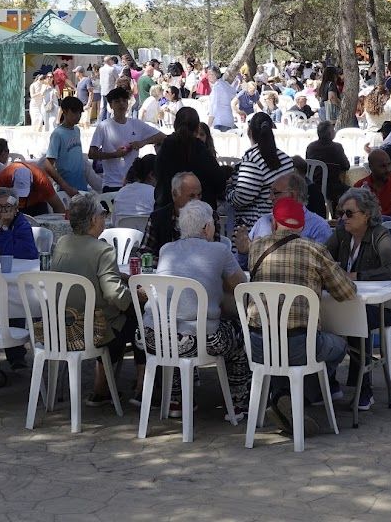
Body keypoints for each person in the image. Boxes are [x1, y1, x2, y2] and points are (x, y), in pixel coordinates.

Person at [245, 198, 356, 429]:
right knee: (339, 345)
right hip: (299, 345)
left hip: (257, 344)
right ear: (302, 226)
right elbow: (346, 293)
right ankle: (300, 397)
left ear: (275, 223)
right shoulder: (315, 250)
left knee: (277, 350)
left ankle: (281, 398)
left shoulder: (255, 247)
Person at [148, 199, 250, 416]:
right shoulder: (219, 250)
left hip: (153, 336)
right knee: (241, 334)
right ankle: (239, 403)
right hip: (197, 340)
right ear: (206, 227)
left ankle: (177, 400)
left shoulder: (167, 249)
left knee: (176, 323)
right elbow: (242, 287)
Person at [52, 193, 145, 405]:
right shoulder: (103, 250)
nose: (105, 218)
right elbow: (115, 295)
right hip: (92, 330)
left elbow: (83, 272)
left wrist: (117, 276)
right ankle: (142, 387)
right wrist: (136, 297)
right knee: (139, 320)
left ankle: (101, 388)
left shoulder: (62, 242)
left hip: (62, 326)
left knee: (121, 318)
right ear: (93, 220)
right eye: (103, 213)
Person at [325, 187, 391, 410]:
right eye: (341, 213)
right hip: (351, 301)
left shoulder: (380, 234)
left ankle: (364, 388)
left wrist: (357, 276)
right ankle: (328, 382)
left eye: (349, 213)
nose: (343, 218)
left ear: (366, 214)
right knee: (321, 316)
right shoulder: (342, 234)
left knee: (355, 318)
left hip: (386, 305)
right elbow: (322, 257)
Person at [235, 172, 333, 267]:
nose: (270, 197)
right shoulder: (263, 222)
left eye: (275, 193)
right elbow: (242, 267)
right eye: (270, 192)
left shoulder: (318, 227)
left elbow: (323, 268)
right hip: (261, 283)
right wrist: (243, 253)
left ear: (293, 195)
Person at [227, 111, 294, 232]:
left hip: (256, 229)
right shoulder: (286, 159)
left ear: (250, 132)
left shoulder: (253, 161)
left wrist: (229, 190)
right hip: (284, 223)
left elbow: (242, 198)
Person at [89, 88, 164, 192]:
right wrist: (115, 154)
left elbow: (162, 136)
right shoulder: (104, 126)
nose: (122, 104)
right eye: (117, 101)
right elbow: (91, 153)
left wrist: (143, 142)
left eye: (124, 100)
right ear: (111, 105)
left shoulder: (136, 124)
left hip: (133, 184)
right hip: (111, 184)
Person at [154, 106, 225, 210]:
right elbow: (219, 181)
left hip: (168, 212)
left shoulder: (166, 146)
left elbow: (158, 175)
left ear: (175, 124)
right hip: (198, 213)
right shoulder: (200, 149)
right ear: (197, 128)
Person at [141, 172, 221, 255]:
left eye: (199, 195)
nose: (197, 200)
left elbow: (216, 253)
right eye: (191, 196)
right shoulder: (158, 218)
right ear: (175, 195)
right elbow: (144, 253)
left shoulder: (210, 216)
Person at [43, 96, 88, 197]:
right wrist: (66, 186)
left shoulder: (77, 130)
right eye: (74, 112)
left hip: (81, 186)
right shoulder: (57, 134)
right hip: (66, 190)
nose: (78, 116)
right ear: (65, 111)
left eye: (79, 113)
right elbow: (48, 165)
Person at [0, 159, 67, 216]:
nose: (22, 197)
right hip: (11, 204)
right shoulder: (3, 177)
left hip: (36, 205)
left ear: (32, 182)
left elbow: (58, 207)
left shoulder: (41, 179)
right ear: (12, 182)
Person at [354, 148, 391, 214]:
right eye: (382, 166)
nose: (388, 169)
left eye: (389, 164)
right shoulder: (359, 187)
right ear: (371, 167)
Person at [305, 121, 350, 205]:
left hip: (312, 185)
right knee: (352, 192)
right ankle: (337, 213)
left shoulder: (311, 146)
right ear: (330, 134)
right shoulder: (336, 147)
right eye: (333, 130)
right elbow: (346, 166)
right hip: (331, 188)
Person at [208, 66, 237, 131]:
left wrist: (208, 125)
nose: (209, 76)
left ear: (216, 75)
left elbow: (213, 108)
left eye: (211, 74)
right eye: (208, 74)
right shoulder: (225, 84)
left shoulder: (217, 88)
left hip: (220, 121)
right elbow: (234, 93)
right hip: (229, 119)